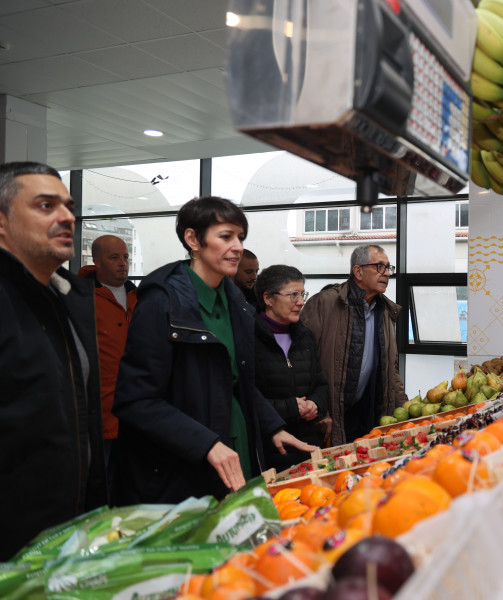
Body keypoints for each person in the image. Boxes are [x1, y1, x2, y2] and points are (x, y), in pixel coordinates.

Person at [112, 196, 316, 504]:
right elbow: (135, 401)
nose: (237, 247)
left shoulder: (235, 303)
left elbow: (238, 382)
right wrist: (206, 444)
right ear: (192, 239)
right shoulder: (162, 303)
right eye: (225, 236)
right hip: (184, 466)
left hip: (238, 452)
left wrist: (272, 427)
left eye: (240, 237)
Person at [0, 161, 106, 560]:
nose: (67, 217)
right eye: (46, 206)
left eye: (68, 206)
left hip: (67, 537)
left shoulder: (69, 300)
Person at [300, 244, 408, 445]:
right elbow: (302, 363)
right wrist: (319, 410)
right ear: (358, 271)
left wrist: (404, 406)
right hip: (329, 416)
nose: (386, 274)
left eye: (388, 268)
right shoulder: (325, 303)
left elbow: (390, 369)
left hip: (367, 412)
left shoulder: (384, 311)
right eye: (379, 267)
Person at [254, 264, 329, 471]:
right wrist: (290, 408)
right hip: (270, 450)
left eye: (303, 294)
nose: (301, 302)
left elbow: (321, 384)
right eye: (293, 294)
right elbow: (247, 398)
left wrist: (315, 404)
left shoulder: (305, 336)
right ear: (268, 298)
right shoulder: (249, 338)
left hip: (308, 445)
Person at [77, 235, 137, 480]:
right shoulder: (81, 299)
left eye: (125, 257)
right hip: (99, 411)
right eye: (115, 258)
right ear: (97, 261)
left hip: (136, 411)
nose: (123, 263)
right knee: (102, 483)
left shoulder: (138, 297)